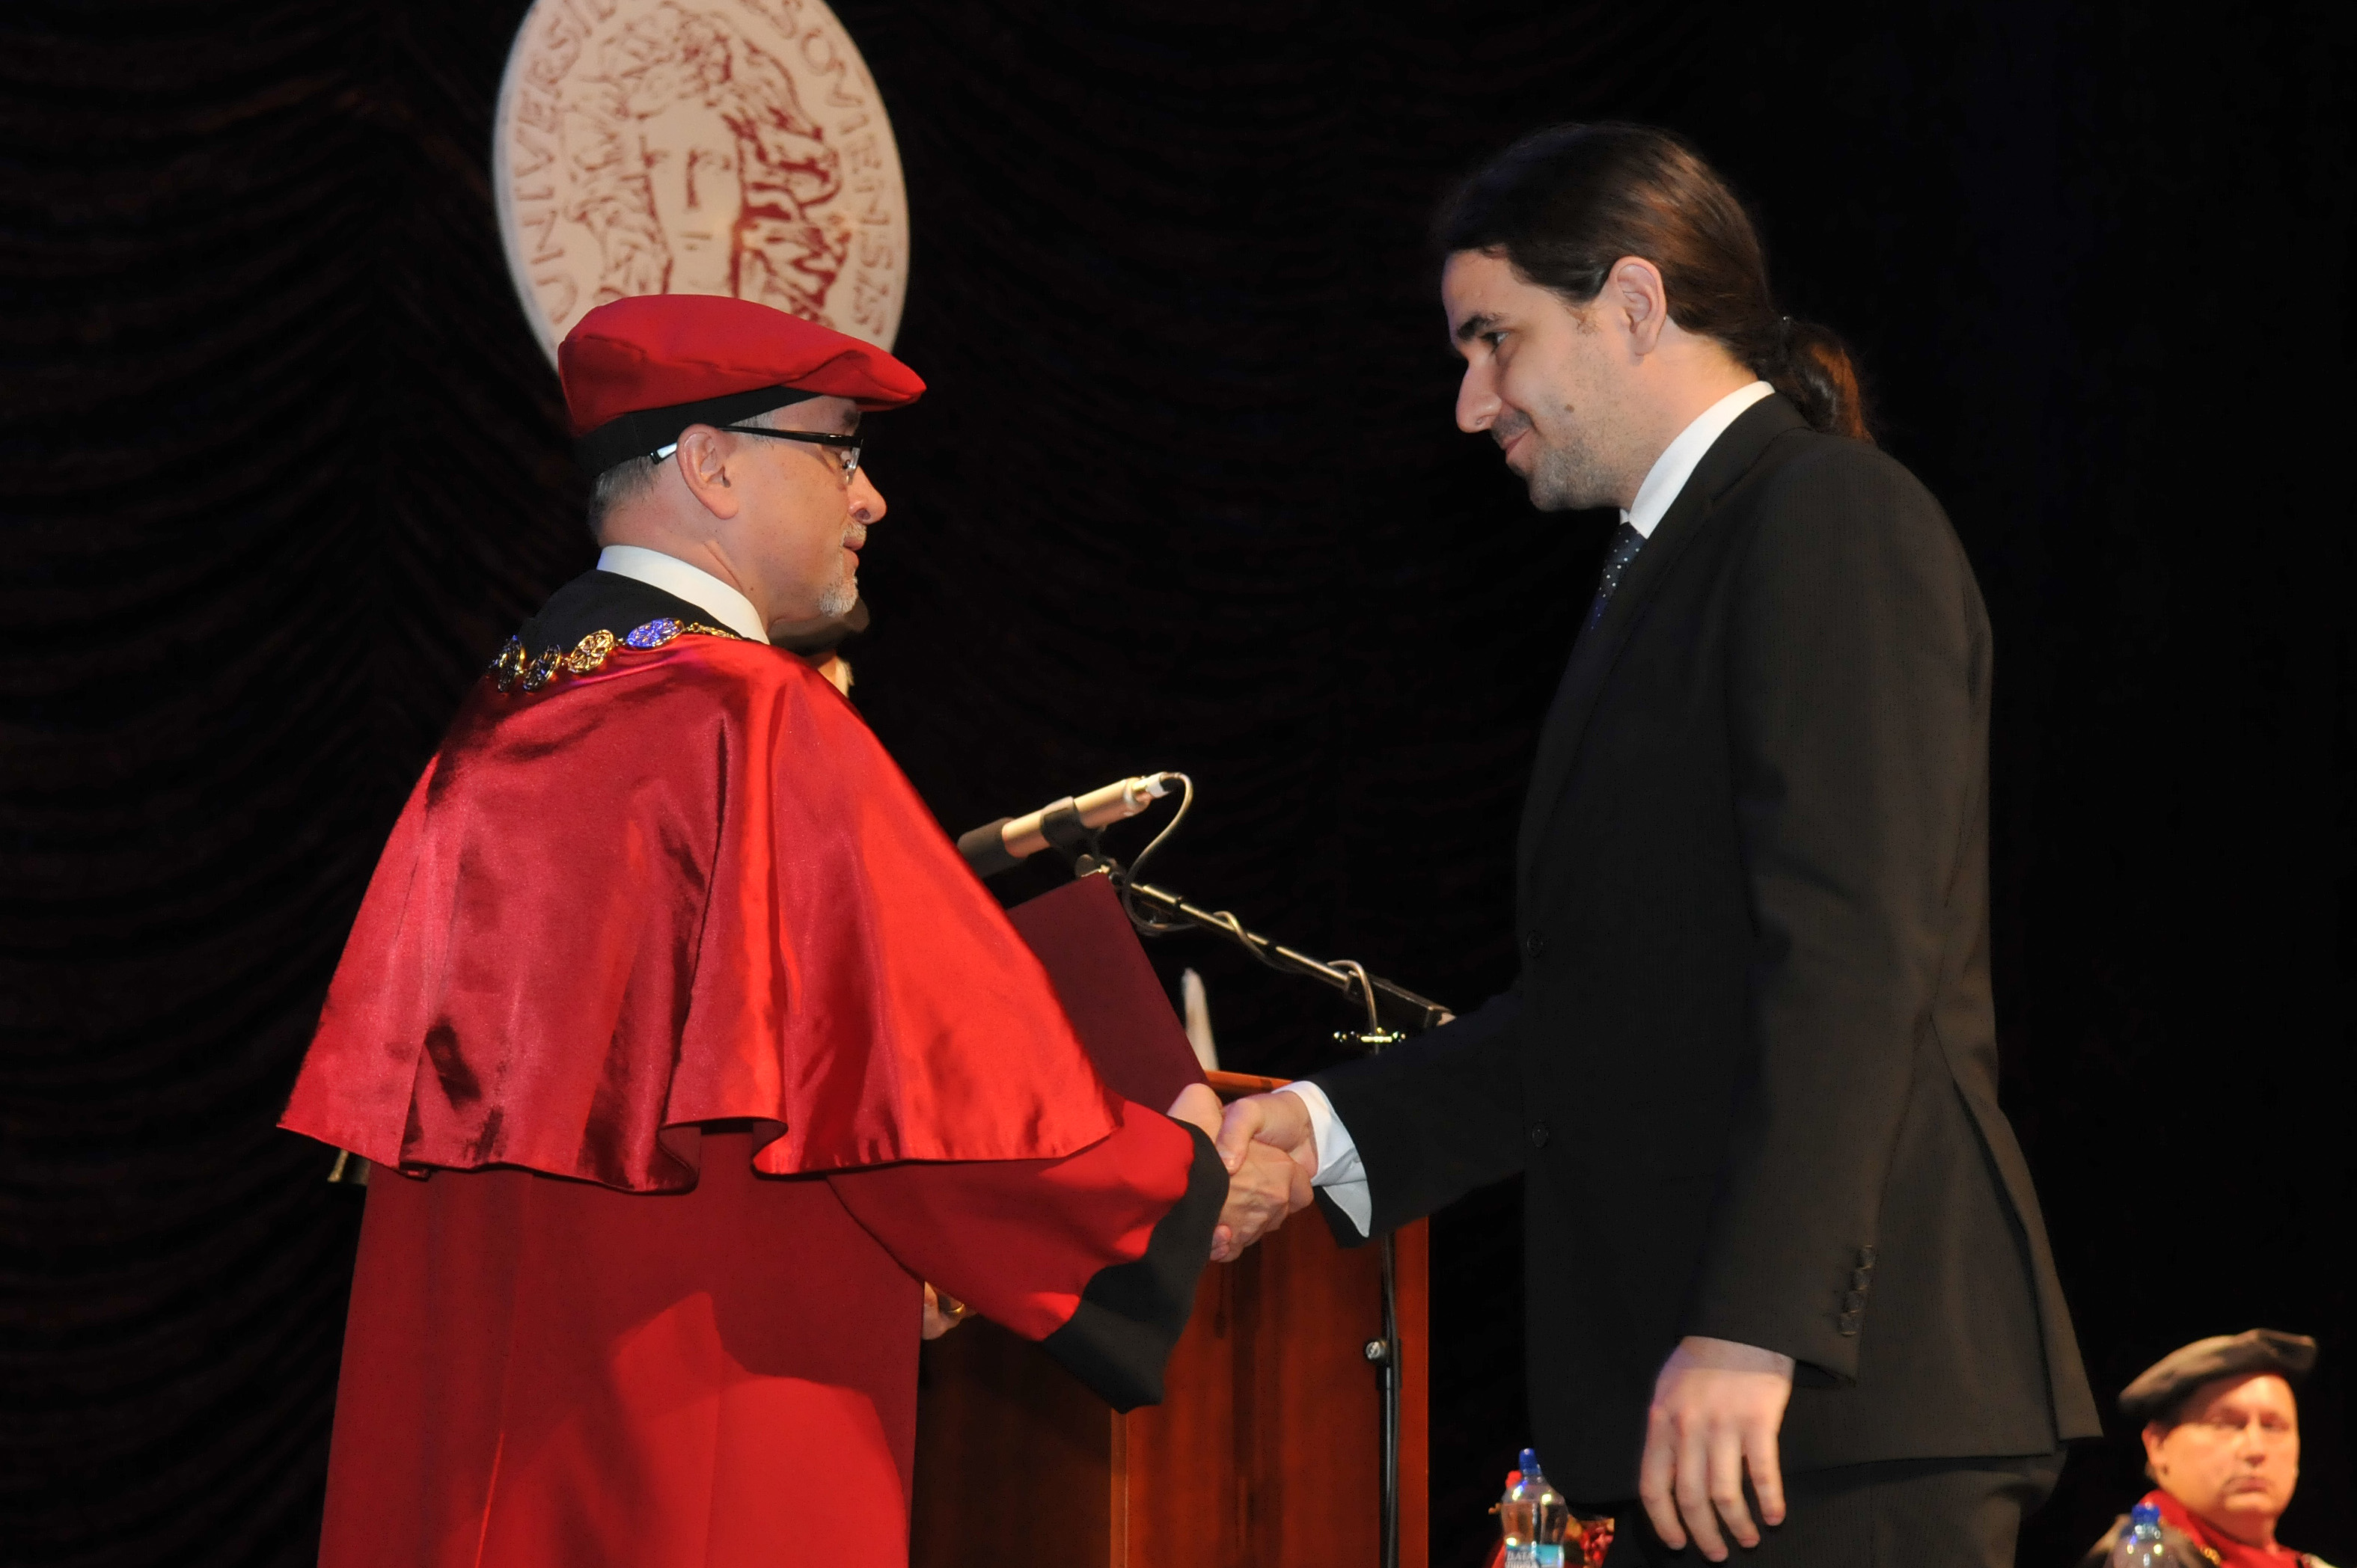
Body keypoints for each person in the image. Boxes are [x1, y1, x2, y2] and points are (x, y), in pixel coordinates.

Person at [281, 293, 1303, 1568]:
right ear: (712, 465)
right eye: (838, 452)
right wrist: (1173, 1173)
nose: (871, 498)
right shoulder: (752, 721)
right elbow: (926, 1086)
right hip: (704, 1420)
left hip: (507, 1434)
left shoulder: (506, 716)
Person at [1214, 123, 2099, 1565]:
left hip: (1836, 1406)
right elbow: (1621, 1004)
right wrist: (1324, 1132)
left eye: (1494, 340)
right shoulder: (1686, 557)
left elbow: (1853, 957)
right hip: (1747, 1416)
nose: (1471, 404)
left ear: (1632, 302)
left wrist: (1757, 1324)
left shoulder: (1824, 515)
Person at [2079, 1330, 2332, 1568]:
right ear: (2158, 1445)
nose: (2256, 1450)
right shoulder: (2139, 1557)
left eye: (2272, 1427)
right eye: (2226, 1425)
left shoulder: (2304, 1563)